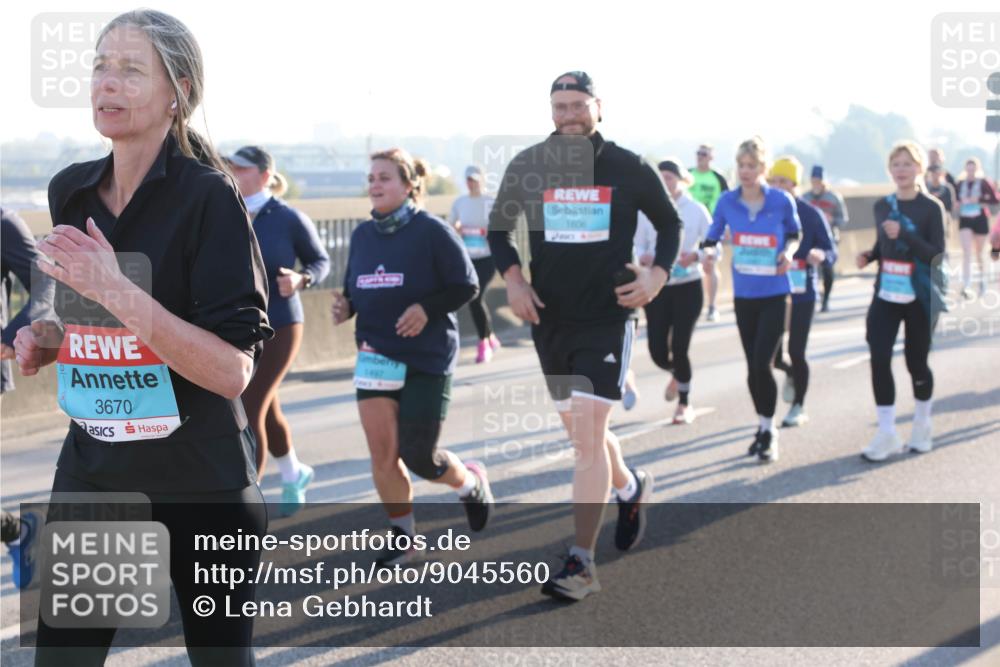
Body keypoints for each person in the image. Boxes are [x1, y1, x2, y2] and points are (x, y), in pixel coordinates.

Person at [14, 11, 271, 665]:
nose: (108, 82)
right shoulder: (72, 189)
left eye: (131, 70)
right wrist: (51, 339)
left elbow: (231, 371)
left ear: (177, 92)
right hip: (96, 476)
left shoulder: (210, 197)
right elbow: (94, 320)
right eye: (101, 66)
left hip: (200, 482)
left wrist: (114, 289)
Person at [488, 71, 681, 601]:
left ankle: (582, 563)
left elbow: (669, 224)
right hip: (549, 318)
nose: (568, 115)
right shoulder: (529, 164)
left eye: (577, 105)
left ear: (599, 106)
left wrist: (657, 276)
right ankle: (631, 487)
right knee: (582, 436)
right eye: (560, 107)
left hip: (607, 317)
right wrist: (514, 280)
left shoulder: (627, 165)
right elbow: (499, 230)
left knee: (589, 437)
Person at [332, 148, 493, 568]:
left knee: (419, 456)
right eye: (371, 178)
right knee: (383, 455)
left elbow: (467, 285)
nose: (375, 185)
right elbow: (357, 289)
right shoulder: (362, 235)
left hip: (427, 356)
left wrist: (426, 308)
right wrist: (345, 307)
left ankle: (469, 482)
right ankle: (404, 538)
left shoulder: (432, 231)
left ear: (408, 186)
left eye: (385, 177)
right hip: (376, 353)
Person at [228, 145, 330, 516]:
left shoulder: (287, 217)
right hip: (239, 328)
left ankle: (247, 505)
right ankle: (293, 473)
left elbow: (320, 261)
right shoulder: (227, 211)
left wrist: (302, 279)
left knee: (249, 405)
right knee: (266, 406)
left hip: (281, 324)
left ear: (265, 175)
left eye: (241, 168)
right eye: (230, 167)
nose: (233, 173)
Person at [700, 137, 800, 463]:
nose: (745, 171)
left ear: (763, 168)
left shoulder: (781, 201)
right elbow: (712, 236)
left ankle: (770, 433)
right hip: (744, 295)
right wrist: (709, 252)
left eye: (752, 166)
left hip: (775, 292)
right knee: (752, 369)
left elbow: (794, 234)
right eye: (741, 165)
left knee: (762, 363)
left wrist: (788, 252)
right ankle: (762, 425)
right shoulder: (727, 201)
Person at [855, 141, 946, 461]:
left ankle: (922, 424)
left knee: (915, 362)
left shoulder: (931, 208)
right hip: (887, 292)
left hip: (919, 294)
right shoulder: (883, 206)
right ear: (889, 170)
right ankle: (887, 432)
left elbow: (936, 254)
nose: (902, 170)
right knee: (879, 356)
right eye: (896, 164)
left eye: (908, 164)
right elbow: (885, 245)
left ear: (919, 168)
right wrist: (870, 255)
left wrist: (905, 234)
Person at [635, 160, 710, 424]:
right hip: (656, 287)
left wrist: (698, 255)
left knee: (680, 345)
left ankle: (684, 403)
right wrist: (642, 256)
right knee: (657, 350)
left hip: (688, 286)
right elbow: (636, 243)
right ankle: (678, 374)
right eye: (661, 177)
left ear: (682, 179)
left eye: (669, 177)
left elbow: (713, 243)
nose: (665, 182)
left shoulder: (696, 210)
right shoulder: (645, 210)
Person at [767, 158, 837, 427]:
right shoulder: (765, 213)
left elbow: (831, 251)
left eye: (783, 181)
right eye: (773, 181)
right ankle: (790, 373)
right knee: (772, 357)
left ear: (795, 184)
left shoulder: (810, 214)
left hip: (802, 291)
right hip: (772, 292)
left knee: (797, 350)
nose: (778, 186)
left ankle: (799, 405)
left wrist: (821, 254)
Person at [1, 207, 49, 589]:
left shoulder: (3, 222)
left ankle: (18, 532)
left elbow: (46, 283)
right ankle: (17, 532)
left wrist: (12, 335)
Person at [450, 165, 501, 362]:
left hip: (488, 258)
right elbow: (450, 226)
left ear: (482, 180)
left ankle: (483, 343)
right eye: (469, 180)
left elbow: (501, 226)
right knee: (475, 298)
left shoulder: (490, 202)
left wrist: (490, 232)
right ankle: (490, 337)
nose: (472, 183)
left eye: (475, 179)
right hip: (468, 258)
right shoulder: (460, 202)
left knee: (476, 297)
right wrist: (458, 229)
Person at [689, 144, 729, 322]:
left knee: (710, 265)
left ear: (711, 157)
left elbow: (729, 204)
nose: (700, 156)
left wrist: (726, 227)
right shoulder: (688, 174)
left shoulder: (718, 178)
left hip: (711, 229)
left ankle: (712, 306)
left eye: (704, 154)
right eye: (698, 153)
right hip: (689, 228)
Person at [800, 165, 848, 312]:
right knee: (810, 270)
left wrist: (832, 220)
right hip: (809, 240)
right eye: (814, 180)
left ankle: (826, 299)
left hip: (829, 238)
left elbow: (843, 219)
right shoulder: (805, 197)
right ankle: (812, 296)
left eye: (819, 180)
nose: (816, 183)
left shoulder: (834, 198)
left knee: (828, 270)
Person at [955, 157, 999, 298]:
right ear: (965, 170)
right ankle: (966, 284)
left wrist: (979, 200)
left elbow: (995, 199)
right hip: (965, 219)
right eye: (968, 169)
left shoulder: (984, 183)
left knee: (979, 253)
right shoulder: (960, 184)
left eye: (973, 169)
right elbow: (954, 200)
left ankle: (982, 280)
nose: (971, 172)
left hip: (980, 219)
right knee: (966, 251)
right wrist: (958, 203)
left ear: (977, 169)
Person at [925, 164, 958, 239]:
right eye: (933, 174)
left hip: (944, 217)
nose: (935, 176)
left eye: (937, 173)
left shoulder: (947, 188)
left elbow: (951, 205)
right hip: (928, 218)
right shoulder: (926, 187)